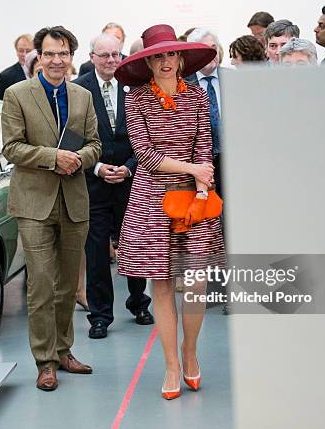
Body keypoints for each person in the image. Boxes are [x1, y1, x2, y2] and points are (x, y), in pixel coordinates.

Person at [115, 24, 226, 400]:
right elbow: (144, 155)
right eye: (157, 56)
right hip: (151, 199)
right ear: (147, 63)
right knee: (161, 284)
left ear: (181, 58)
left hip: (194, 200)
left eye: (170, 54)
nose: (164, 62)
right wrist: (193, 170)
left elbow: (204, 147)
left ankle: (190, 351)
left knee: (195, 282)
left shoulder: (196, 96)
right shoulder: (135, 99)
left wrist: (199, 185)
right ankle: (171, 365)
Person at [1, 25, 102, 391]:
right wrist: (52, 158)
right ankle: (44, 362)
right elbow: (11, 148)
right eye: (50, 54)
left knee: (66, 287)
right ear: (38, 57)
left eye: (63, 53)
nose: (57, 60)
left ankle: (64, 351)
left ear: (71, 58)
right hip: (33, 202)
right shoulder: (17, 95)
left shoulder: (82, 96)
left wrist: (78, 158)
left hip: (73, 201)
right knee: (41, 285)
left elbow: (95, 144)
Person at [74, 33, 154, 339]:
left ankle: (139, 303)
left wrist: (130, 168)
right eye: (104, 55)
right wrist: (95, 167)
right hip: (93, 184)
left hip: (130, 182)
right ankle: (100, 316)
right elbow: (72, 137)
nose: (110, 61)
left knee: (134, 247)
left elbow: (146, 134)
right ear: (92, 56)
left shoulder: (134, 87)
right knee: (96, 253)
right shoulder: (79, 89)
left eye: (116, 55)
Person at [185, 27, 224, 194]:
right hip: (198, 166)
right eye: (204, 49)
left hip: (233, 162)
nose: (211, 53)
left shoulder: (232, 79)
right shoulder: (183, 86)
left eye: (213, 48)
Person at [0, 34, 33, 100]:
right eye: (21, 51)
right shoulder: (5, 76)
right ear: (16, 51)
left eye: (28, 51)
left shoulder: (44, 72)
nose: (24, 54)